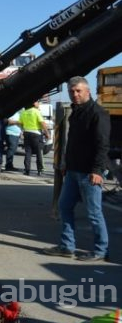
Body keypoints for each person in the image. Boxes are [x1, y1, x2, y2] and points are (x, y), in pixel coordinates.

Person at [42, 76, 110, 261]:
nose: (75, 94)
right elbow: (72, 142)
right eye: (72, 91)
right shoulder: (76, 112)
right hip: (73, 171)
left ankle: (101, 250)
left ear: (88, 91)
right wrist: (66, 164)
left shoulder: (98, 113)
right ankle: (67, 246)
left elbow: (103, 145)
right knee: (64, 207)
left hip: (89, 173)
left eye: (78, 91)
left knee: (94, 213)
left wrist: (97, 170)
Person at [19, 101, 48, 176]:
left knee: (28, 152)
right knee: (39, 152)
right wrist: (47, 133)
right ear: (33, 104)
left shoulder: (23, 112)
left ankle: (27, 170)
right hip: (36, 134)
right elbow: (42, 123)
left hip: (27, 134)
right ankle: (40, 170)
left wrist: (23, 130)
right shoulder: (36, 111)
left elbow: (21, 123)